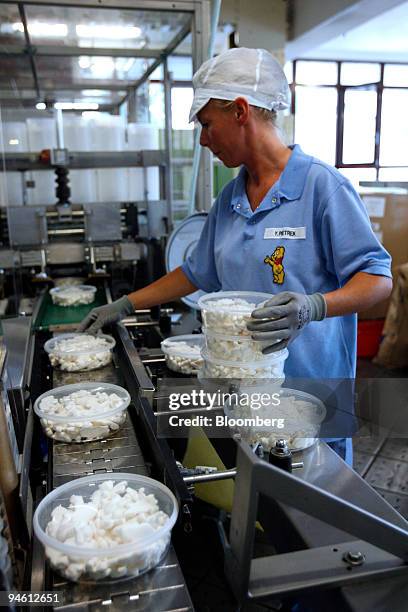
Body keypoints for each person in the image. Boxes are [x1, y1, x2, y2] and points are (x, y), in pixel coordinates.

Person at [79, 48, 392, 464]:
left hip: (309, 399)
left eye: (207, 124)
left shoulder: (323, 188)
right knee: (243, 508)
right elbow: (196, 273)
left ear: (241, 111)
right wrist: (125, 304)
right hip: (239, 394)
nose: (204, 139)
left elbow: (377, 279)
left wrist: (314, 306)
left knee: (308, 519)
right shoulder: (230, 197)